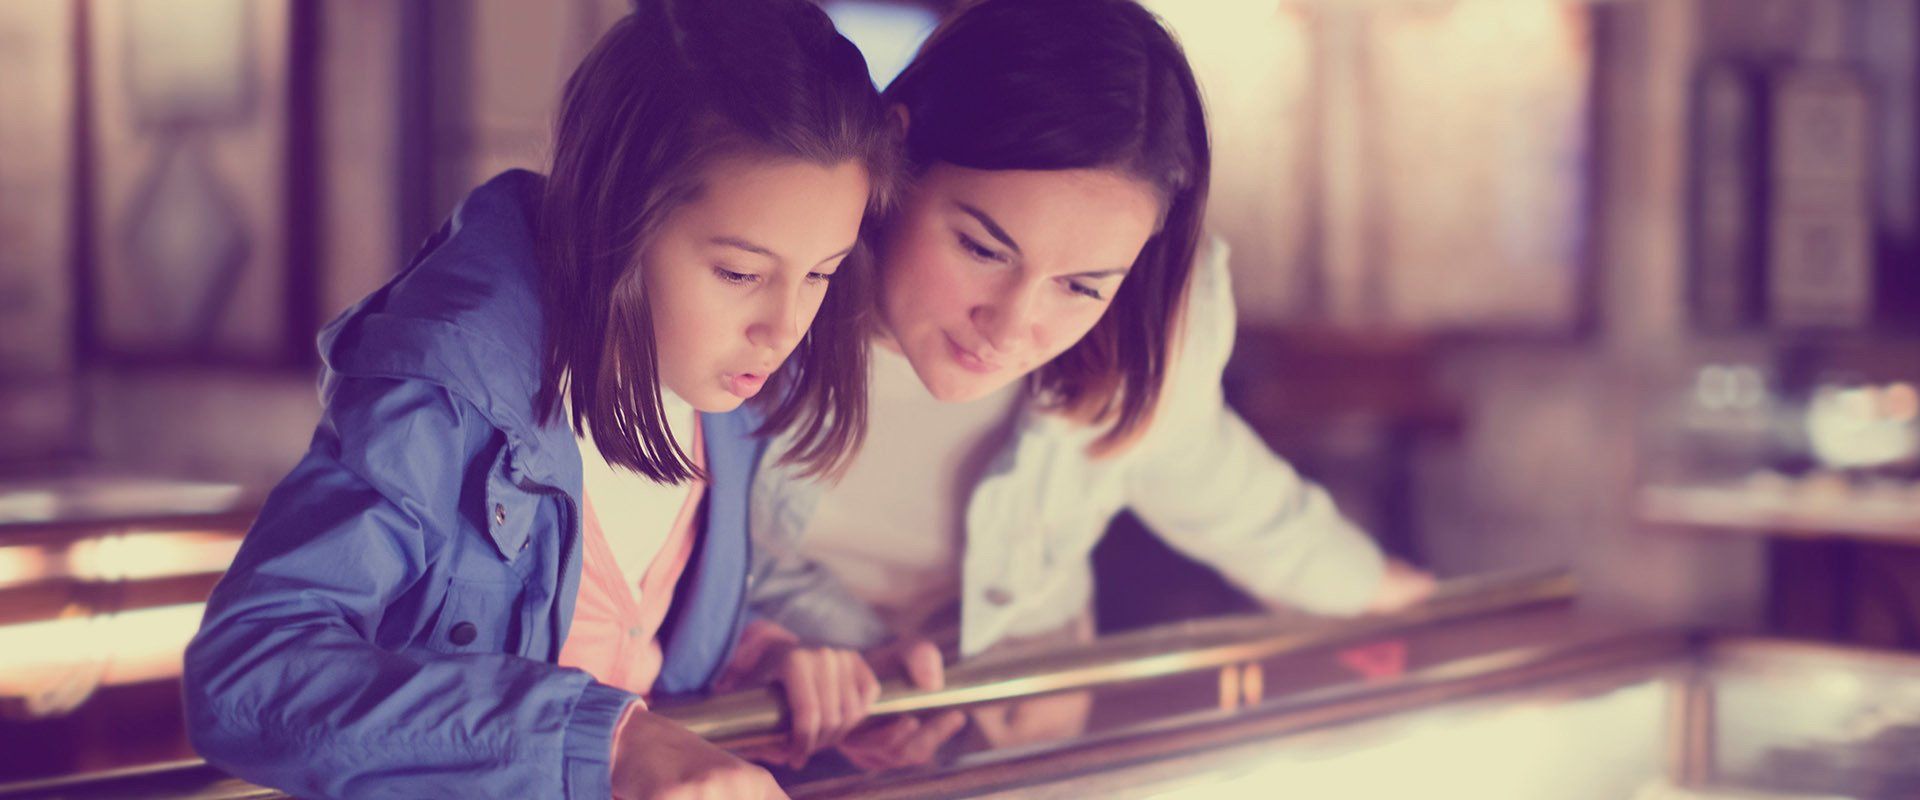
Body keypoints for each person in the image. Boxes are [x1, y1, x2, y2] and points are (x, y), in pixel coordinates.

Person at [182, 1, 897, 796]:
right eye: (739, 273)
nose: (785, 328)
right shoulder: (446, 398)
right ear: (616, 214)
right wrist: (608, 745)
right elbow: (247, 676)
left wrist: (766, 662)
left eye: (821, 274)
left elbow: (618, 635)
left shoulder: (732, 402)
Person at [737, 0, 1437, 769]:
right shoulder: (762, 287)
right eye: (982, 248)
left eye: (1081, 286)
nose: (1009, 327)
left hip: (1024, 752)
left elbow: (1217, 484)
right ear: (899, 153)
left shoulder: (1145, 329)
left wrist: (1384, 593)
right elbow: (652, 558)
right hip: (771, 734)